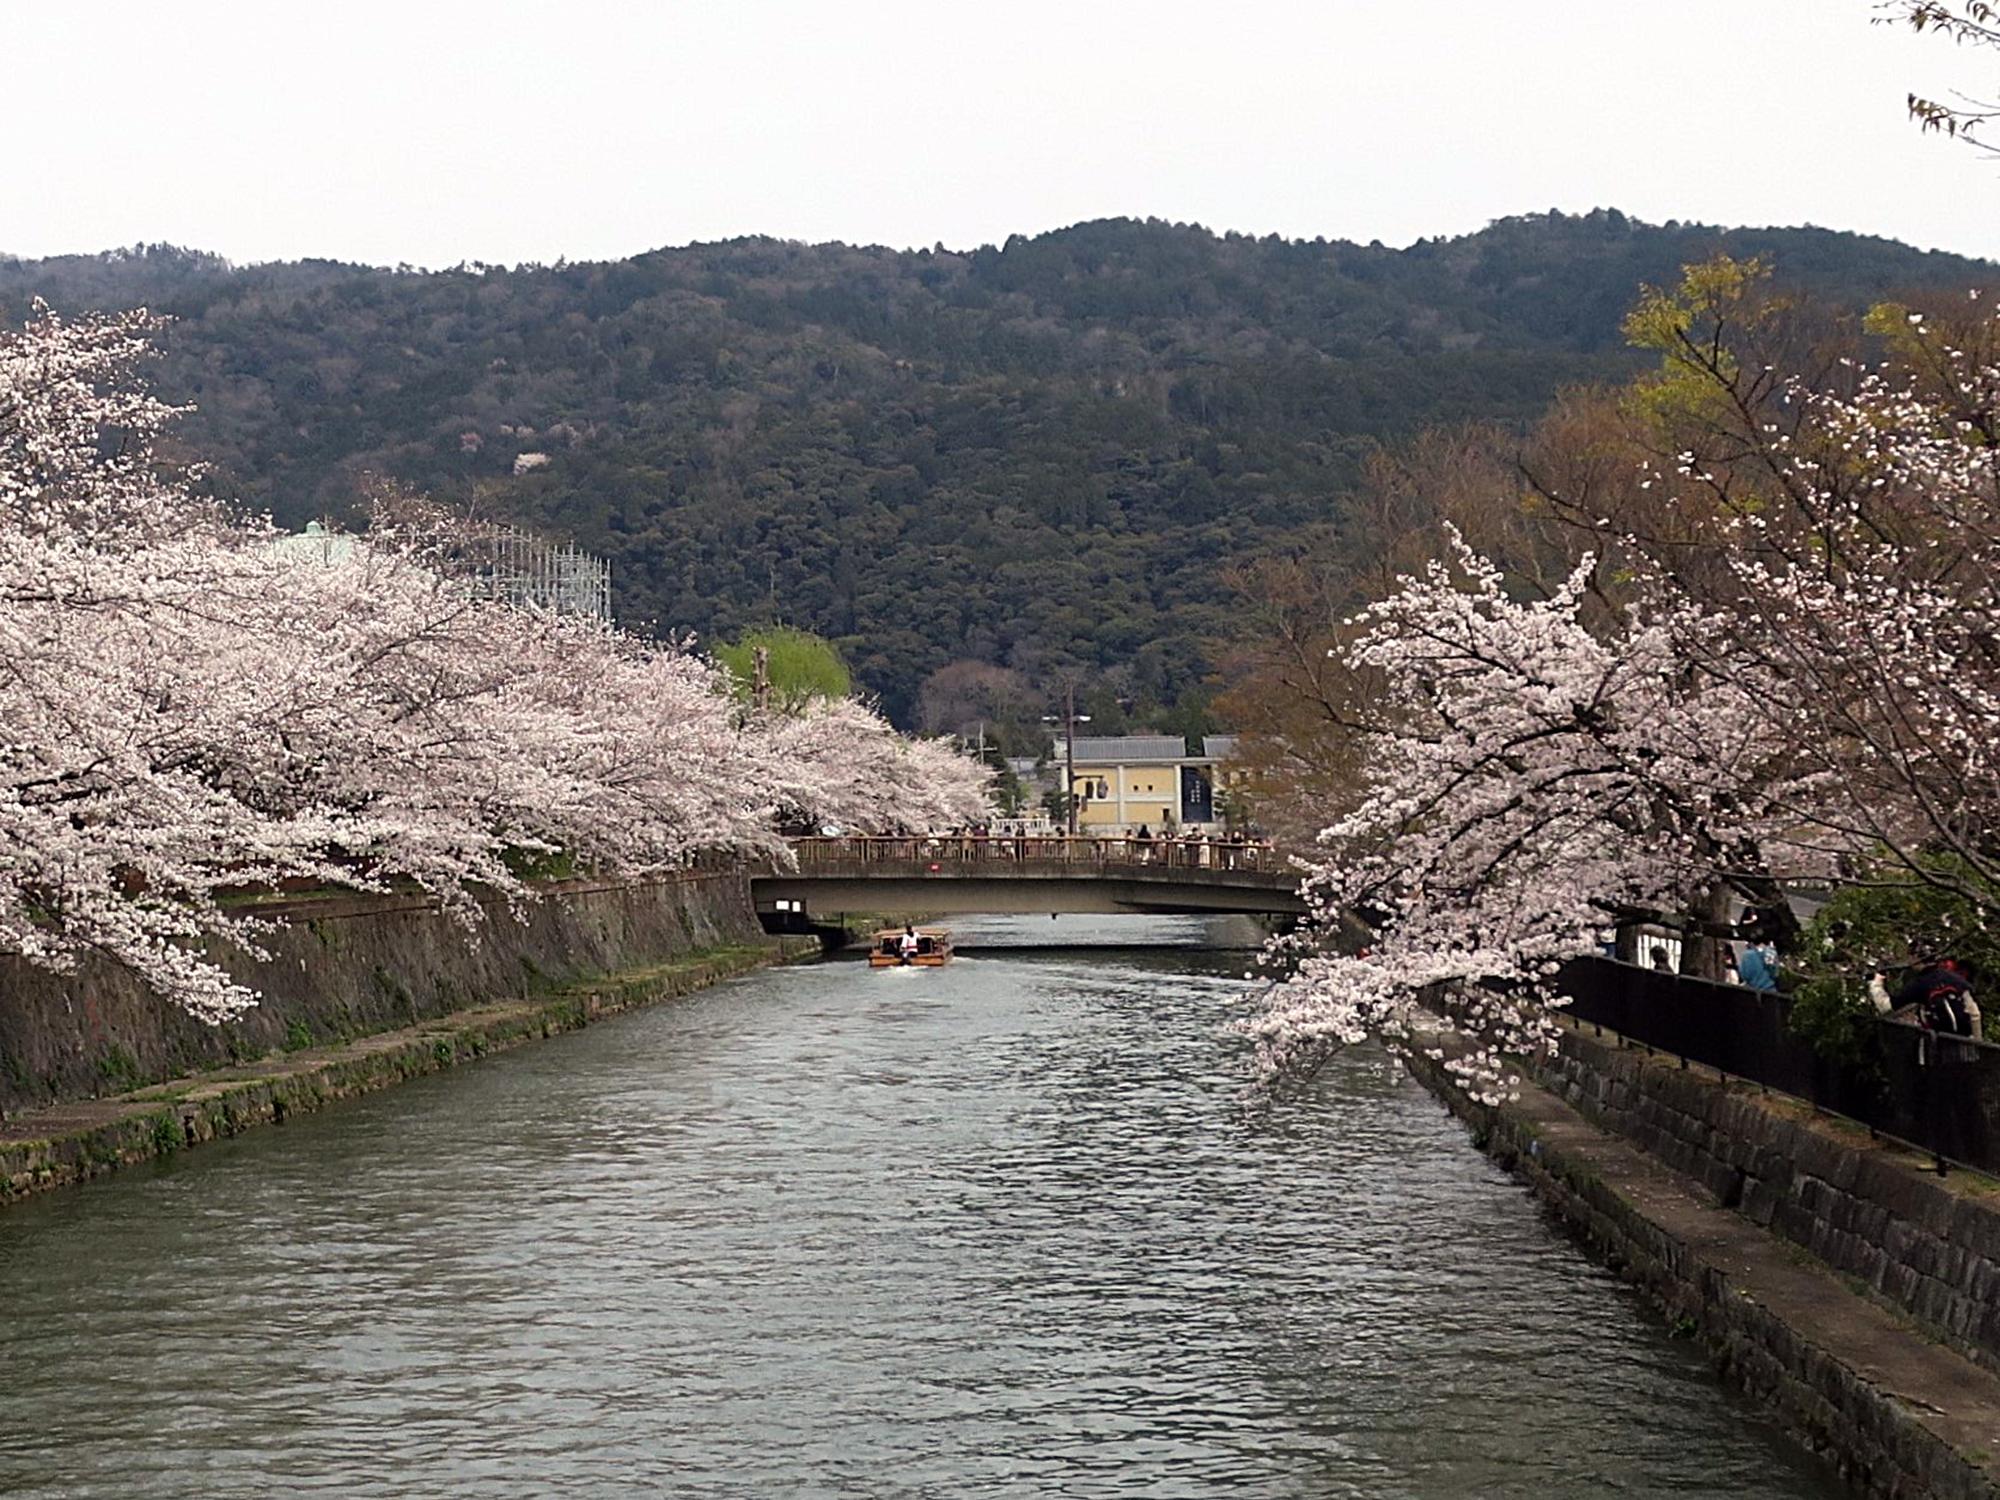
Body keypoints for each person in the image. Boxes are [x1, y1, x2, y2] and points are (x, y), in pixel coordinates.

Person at [1888, 958, 1980, 1037]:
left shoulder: (1921, 982)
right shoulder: (1961, 983)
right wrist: (1977, 1043)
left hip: (1935, 1040)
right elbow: (1974, 1014)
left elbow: (1890, 1006)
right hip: (1962, 1040)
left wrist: (1877, 981)